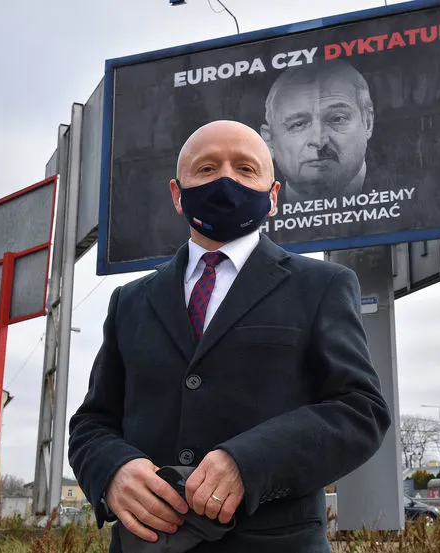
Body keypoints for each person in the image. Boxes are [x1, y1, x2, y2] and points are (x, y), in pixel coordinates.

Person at [68, 120, 390, 553]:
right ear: (177, 194)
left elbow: (360, 410)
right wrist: (112, 472)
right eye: (206, 168)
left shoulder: (322, 286)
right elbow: (92, 423)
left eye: (245, 168)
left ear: (273, 195)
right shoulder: (130, 301)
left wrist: (249, 463)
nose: (226, 180)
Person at [259, 59, 379, 204]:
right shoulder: (251, 218)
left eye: (337, 119)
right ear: (268, 140)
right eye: (298, 124)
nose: (318, 141)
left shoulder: (411, 202)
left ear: (367, 123)